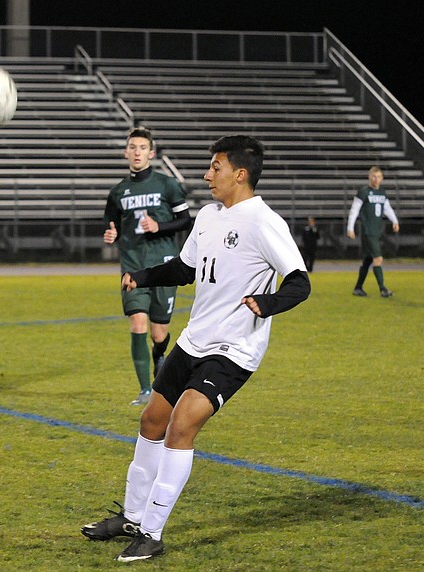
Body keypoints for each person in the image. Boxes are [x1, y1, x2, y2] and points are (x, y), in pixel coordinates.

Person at [81, 135, 310, 562]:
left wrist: (267, 303)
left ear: (240, 174)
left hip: (234, 349)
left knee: (181, 425)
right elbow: (185, 268)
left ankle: (151, 532)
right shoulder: (207, 216)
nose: (208, 175)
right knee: (152, 419)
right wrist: (144, 276)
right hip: (194, 339)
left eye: (216, 167)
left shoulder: (264, 222)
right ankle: (132, 516)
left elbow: (299, 280)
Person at [103, 126, 191, 406]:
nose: (137, 152)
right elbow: (112, 223)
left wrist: (159, 226)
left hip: (164, 266)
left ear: (151, 153)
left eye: (142, 148)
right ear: (125, 152)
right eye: (133, 147)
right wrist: (111, 233)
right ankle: (145, 390)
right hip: (132, 265)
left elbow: (185, 220)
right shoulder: (118, 192)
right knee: (138, 323)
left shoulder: (168, 185)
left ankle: (160, 356)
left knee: (159, 332)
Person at [346, 165, 399, 297]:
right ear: (369, 177)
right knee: (378, 258)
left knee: (367, 260)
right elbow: (354, 210)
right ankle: (383, 289)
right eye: (374, 176)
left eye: (379, 177)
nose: (376, 179)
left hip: (376, 232)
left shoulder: (382, 192)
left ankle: (358, 288)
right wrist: (350, 227)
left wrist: (395, 221)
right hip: (368, 232)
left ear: (382, 178)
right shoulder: (364, 192)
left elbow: (387, 208)